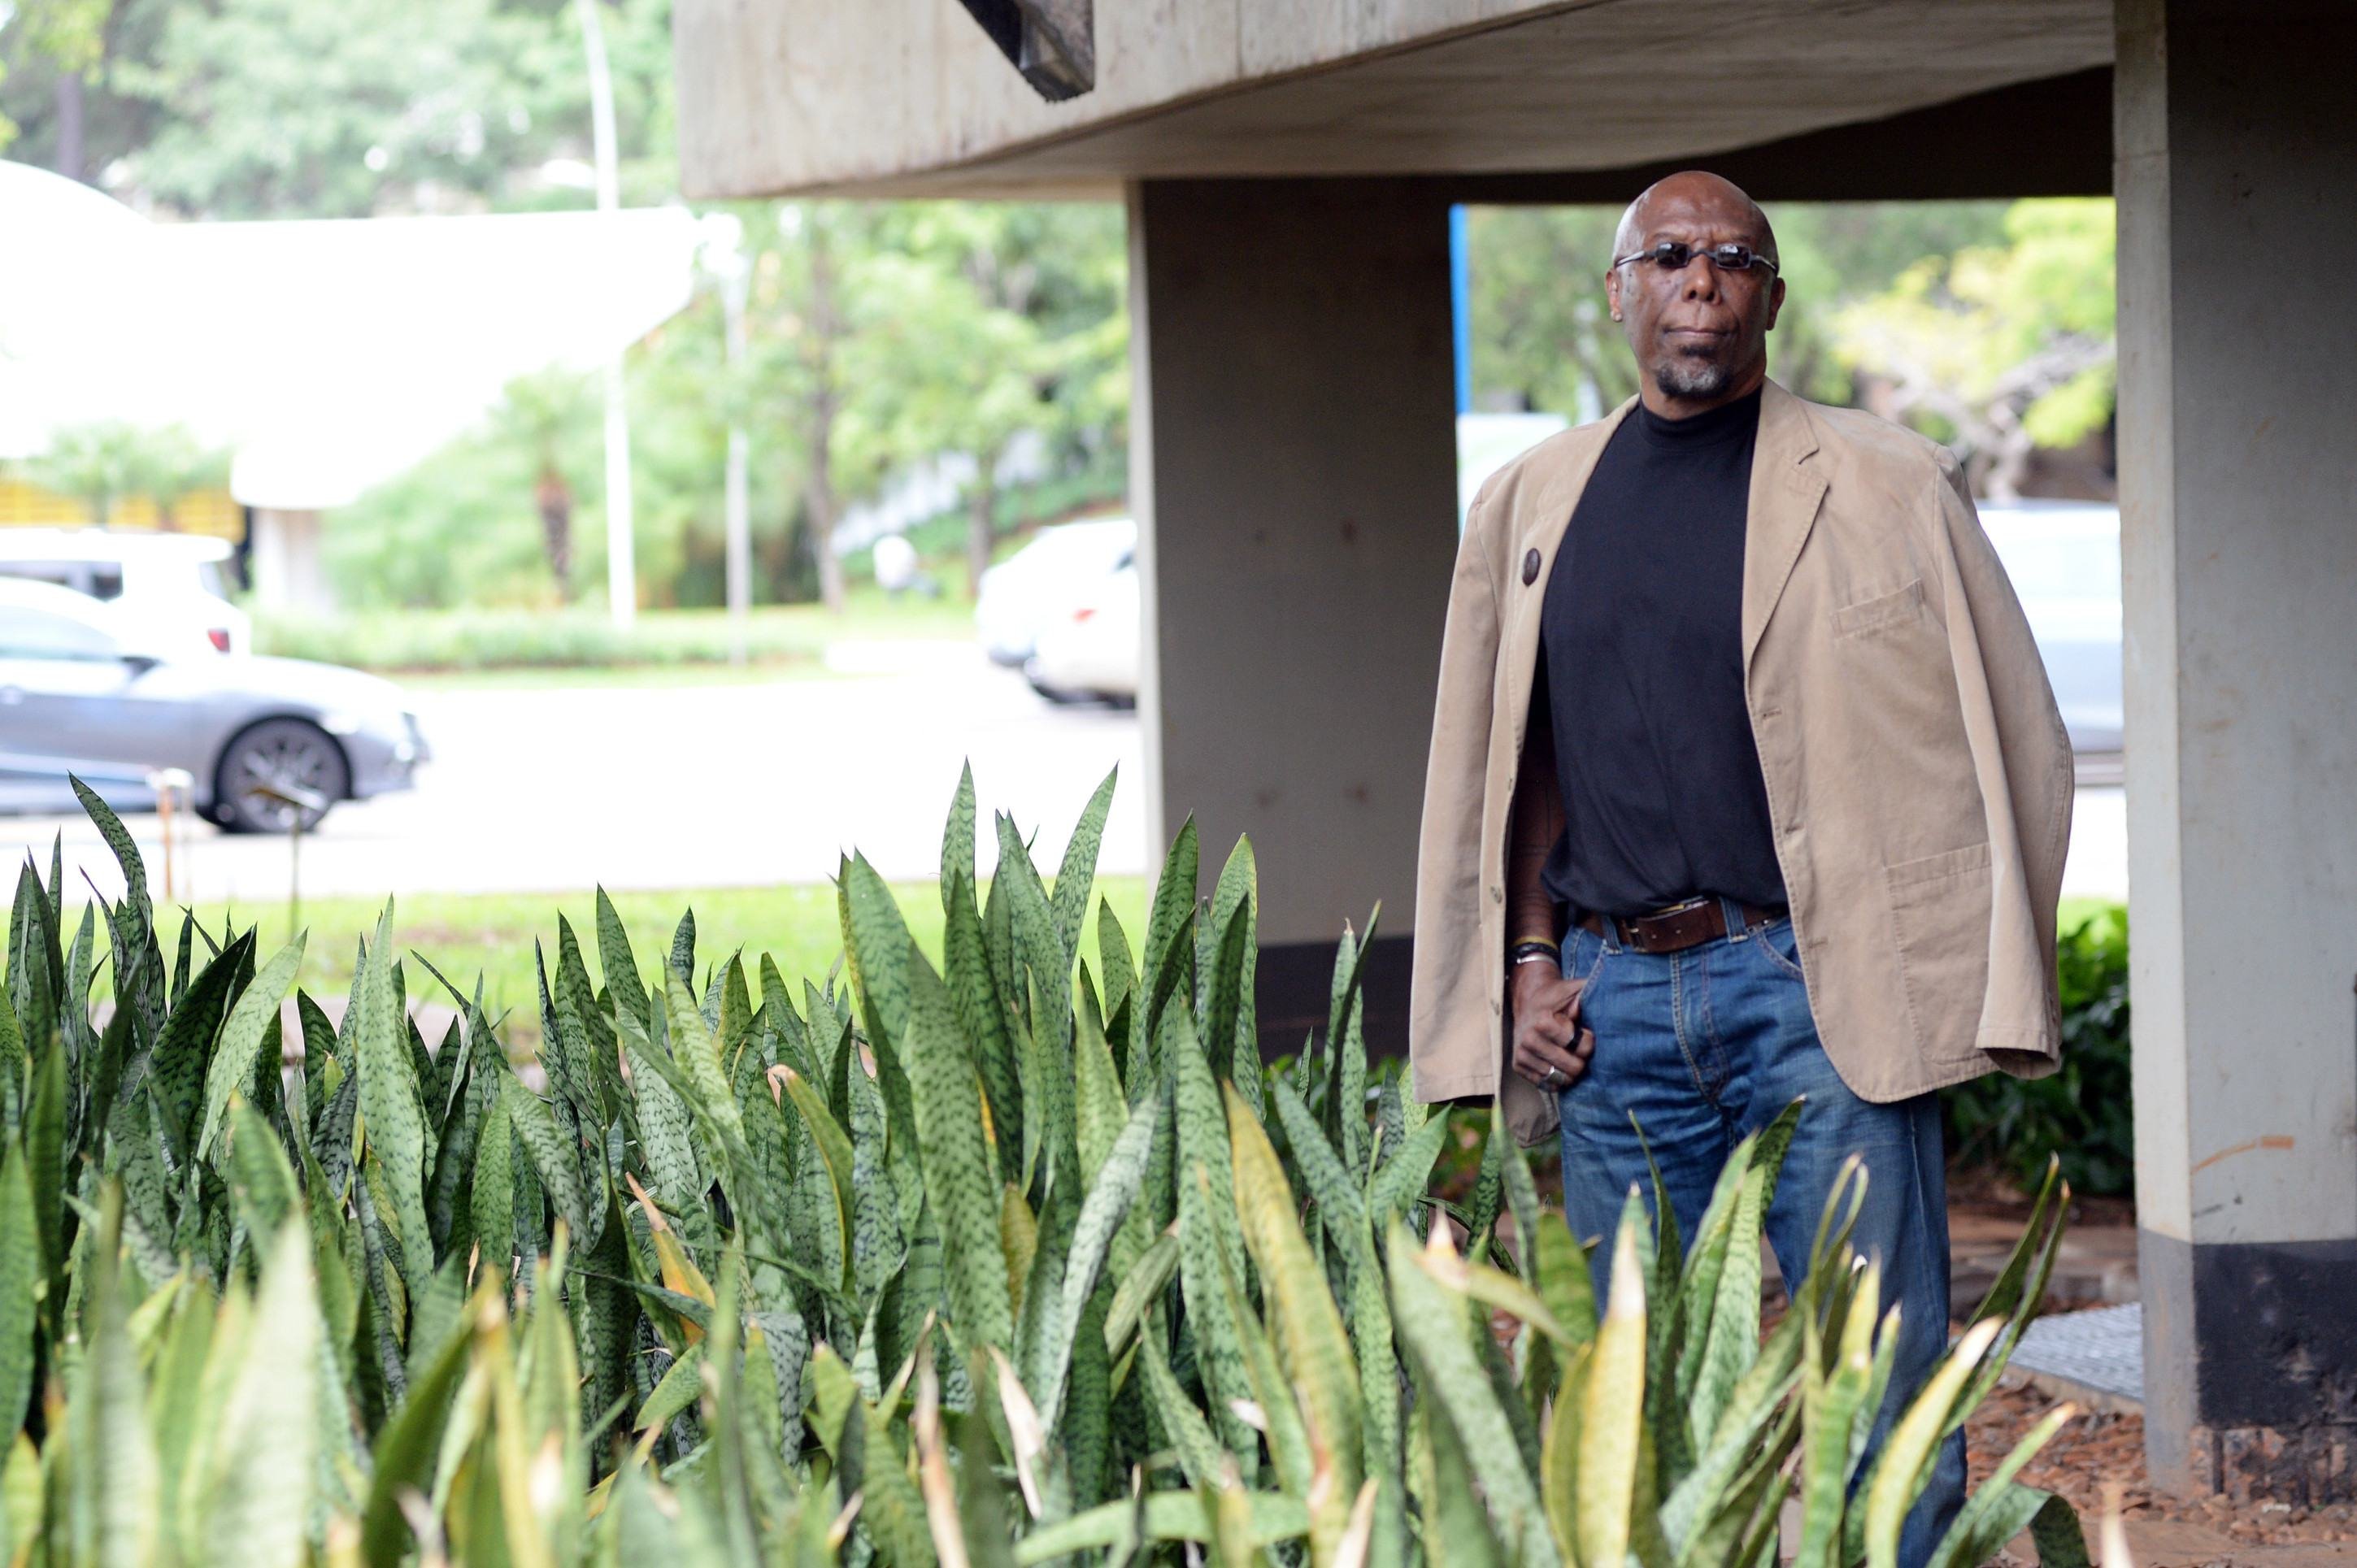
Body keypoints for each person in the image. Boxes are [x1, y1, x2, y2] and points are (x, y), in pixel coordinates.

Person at [1408, 171, 2072, 1561]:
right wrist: (1530, 956)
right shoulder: (1531, 503)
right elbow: (1511, 760)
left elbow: (2019, 740)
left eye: (1731, 255)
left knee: (1876, 1384)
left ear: (1773, 293)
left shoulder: (1890, 482)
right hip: (1613, 1013)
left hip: (1816, 996)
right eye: (1666, 254)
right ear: (1618, 292)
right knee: (1631, 1404)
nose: (1698, 278)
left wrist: (1967, 970)